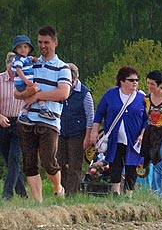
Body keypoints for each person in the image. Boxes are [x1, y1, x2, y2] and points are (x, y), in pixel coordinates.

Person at [14, 26, 72, 202]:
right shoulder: (29, 63)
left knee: (48, 161)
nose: (43, 46)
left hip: (50, 120)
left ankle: (58, 187)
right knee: (29, 164)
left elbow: (63, 93)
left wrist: (38, 95)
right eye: (40, 42)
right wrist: (27, 94)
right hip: (27, 119)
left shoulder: (63, 67)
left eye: (46, 42)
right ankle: (38, 202)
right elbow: (17, 93)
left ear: (55, 43)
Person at [91, 66, 147, 195]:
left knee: (131, 165)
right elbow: (99, 113)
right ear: (122, 81)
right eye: (131, 80)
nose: (135, 83)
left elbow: (146, 119)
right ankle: (115, 192)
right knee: (115, 164)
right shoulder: (111, 94)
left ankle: (129, 194)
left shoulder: (141, 97)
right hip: (115, 137)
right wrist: (94, 131)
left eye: (137, 80)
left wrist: (142, 134)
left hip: (134, 139)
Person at [57, 63, 94, 196]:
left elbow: (90, 116)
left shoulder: (84, 93)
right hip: (60, 131)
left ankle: (72, 193)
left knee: (75, 164)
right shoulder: (59, 90)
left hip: (77, 134)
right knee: (59, 163)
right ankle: (63, 188)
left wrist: (88, 137)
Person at [0, 52, 28, 200]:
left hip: (20, 123)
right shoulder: (0, 80)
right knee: (9, 159)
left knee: (14, 158)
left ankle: (7, 194)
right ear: (7, 65)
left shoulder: (25, 81)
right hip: (3, 123)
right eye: (12, 65)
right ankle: (23, 194)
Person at [10, 35, 48, 125]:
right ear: (15, 49)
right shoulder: (18, 59)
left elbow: (32, 61)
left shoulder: (26, 58)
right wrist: (26, 81)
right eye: (19, 47)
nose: (23, 49)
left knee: (30, 98)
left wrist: (34, 59)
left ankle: (24, 115)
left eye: (25, 47)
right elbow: (18, 70)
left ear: (29, 49)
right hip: (22, 82)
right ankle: (43, 109)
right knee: (39, 92)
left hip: (24, 82)